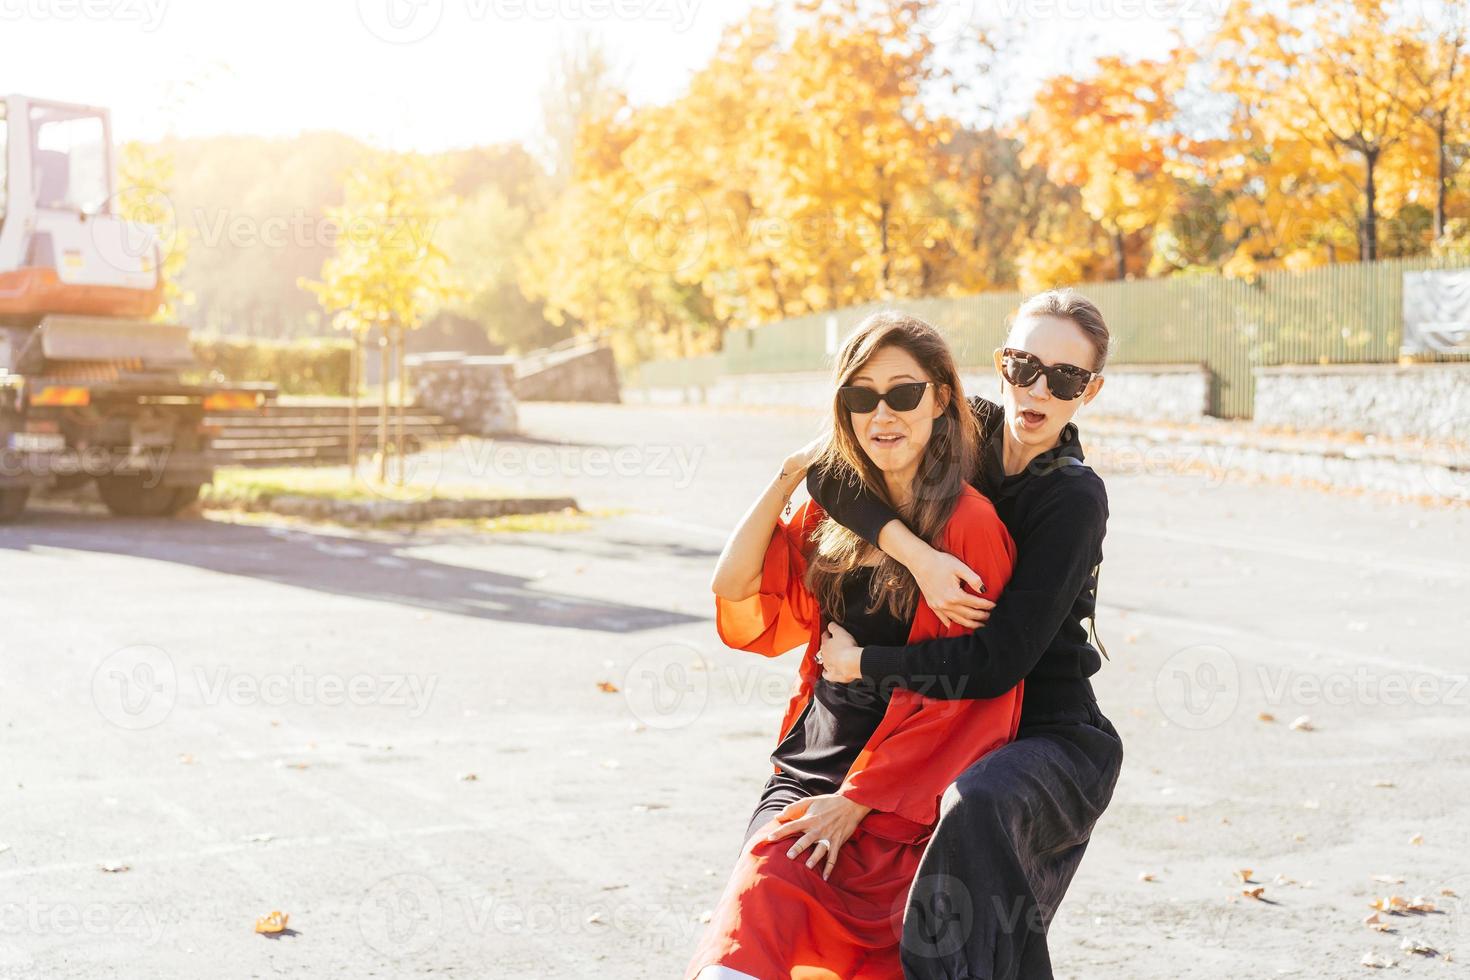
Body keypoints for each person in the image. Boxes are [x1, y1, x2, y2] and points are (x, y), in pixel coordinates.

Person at [688, 311, 1025, 980]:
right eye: (860, 395)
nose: (883, 412)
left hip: (898, 796)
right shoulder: (832, 514)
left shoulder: (969, 526)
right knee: (758, 907)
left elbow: (972, 698)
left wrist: (860, 800)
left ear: (938, 397)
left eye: (903, 392)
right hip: (808, 768)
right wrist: (790, 472)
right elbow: (733, 583)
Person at [807, 288, 1126, 979]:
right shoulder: (964, 429)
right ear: (999, 364)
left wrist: (862, 663)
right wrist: (917, 557)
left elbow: (995, 663)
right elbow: (826, 470)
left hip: (1048, 736)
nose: (1038, 389)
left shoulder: (1072, 498)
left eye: (1065, 378)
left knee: (974, 809)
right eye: (1023, 366)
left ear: (1089, 392)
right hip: (961, 719)